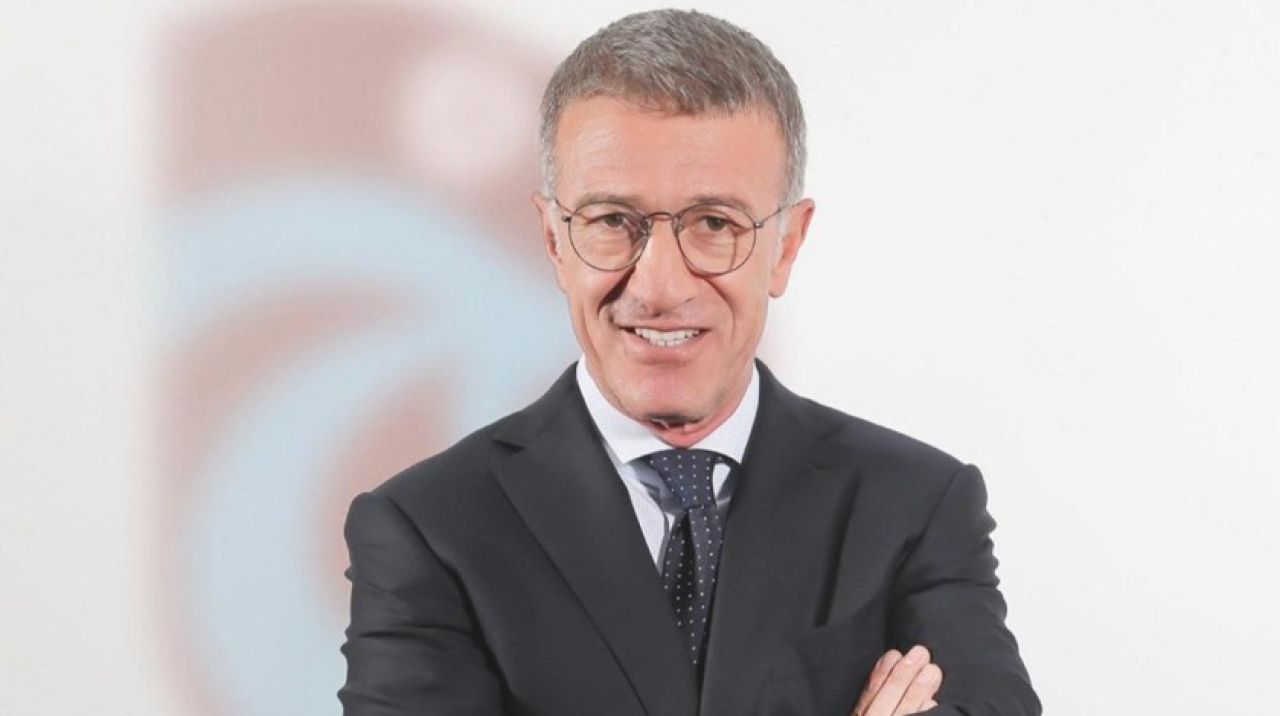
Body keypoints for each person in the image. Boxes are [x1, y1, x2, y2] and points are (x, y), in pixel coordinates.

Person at [339, 9, 1040, 715]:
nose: (660, 286)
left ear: (786, 246)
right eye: (613, 221)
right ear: (554, 240)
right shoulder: (429, 530)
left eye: (714, 224)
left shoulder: (914, 507)